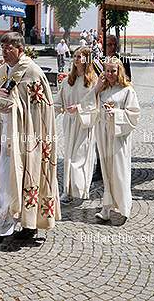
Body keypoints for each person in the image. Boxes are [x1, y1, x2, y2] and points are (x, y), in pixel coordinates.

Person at [0, 32, 60, 244]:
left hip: (26, 138)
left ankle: (1, 229)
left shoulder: (33, 72)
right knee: (4, 177)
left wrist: (16, 108)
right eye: (2, 49)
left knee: (17, 179)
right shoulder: (2, 71)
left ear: (20, 49)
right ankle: (24, 224)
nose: (5, 53)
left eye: (9, 48)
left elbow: (42, 110)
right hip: (3, 134)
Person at [90, 57, 140, 222]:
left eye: (113, 70)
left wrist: (116, 113)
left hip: (119, 136)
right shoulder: (103, 89)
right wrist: (96, 89)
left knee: (119, 170)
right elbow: (88, 104)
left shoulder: (127, 90)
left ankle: (124, 207)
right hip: (103, 133)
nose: (110, 74)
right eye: (107, 70)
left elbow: (134, 114)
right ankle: (106, 207)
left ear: (119, 71)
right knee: (106, 171)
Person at [55, 47, 98, 203]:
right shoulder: (68, 80)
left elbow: (95, 105)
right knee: (69, 157)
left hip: (85, 122)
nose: (76, 59)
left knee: (81, 157)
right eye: (75, 56)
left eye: (80, 56)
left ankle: (80, 189)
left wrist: (79, 108)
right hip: (70, 122)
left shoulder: (94, 81)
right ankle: (68, 190)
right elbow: (58, 102)